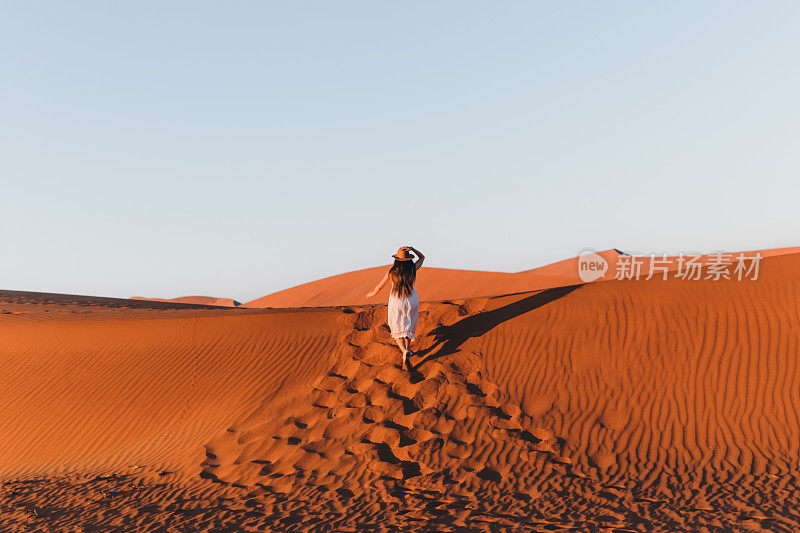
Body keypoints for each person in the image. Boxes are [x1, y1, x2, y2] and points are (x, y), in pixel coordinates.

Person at [366, 246, 425, 370]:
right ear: (409, 259)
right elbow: (422, 257)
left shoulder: (392, 272)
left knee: (396, 327)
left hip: (397, 301)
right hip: (411, 300)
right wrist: (412, 249)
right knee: (408, 326)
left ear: (397, 259)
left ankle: (404, 351)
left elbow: (378, 288)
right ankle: (407, 349)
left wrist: (371, 293)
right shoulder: (413, 268)